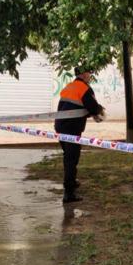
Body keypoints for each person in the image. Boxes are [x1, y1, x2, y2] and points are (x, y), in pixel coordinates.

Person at [55, 67, 105, 208]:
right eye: (89, 73)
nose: (90, 76)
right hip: (71, 129)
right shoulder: (84, 88)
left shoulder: (69, 87)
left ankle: (72, 182)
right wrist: (100, 111)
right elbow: (93, 108)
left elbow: (72, 108)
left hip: (60, 126)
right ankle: (69, 194)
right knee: (72, 158)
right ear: (83, 74)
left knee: (68, 156)